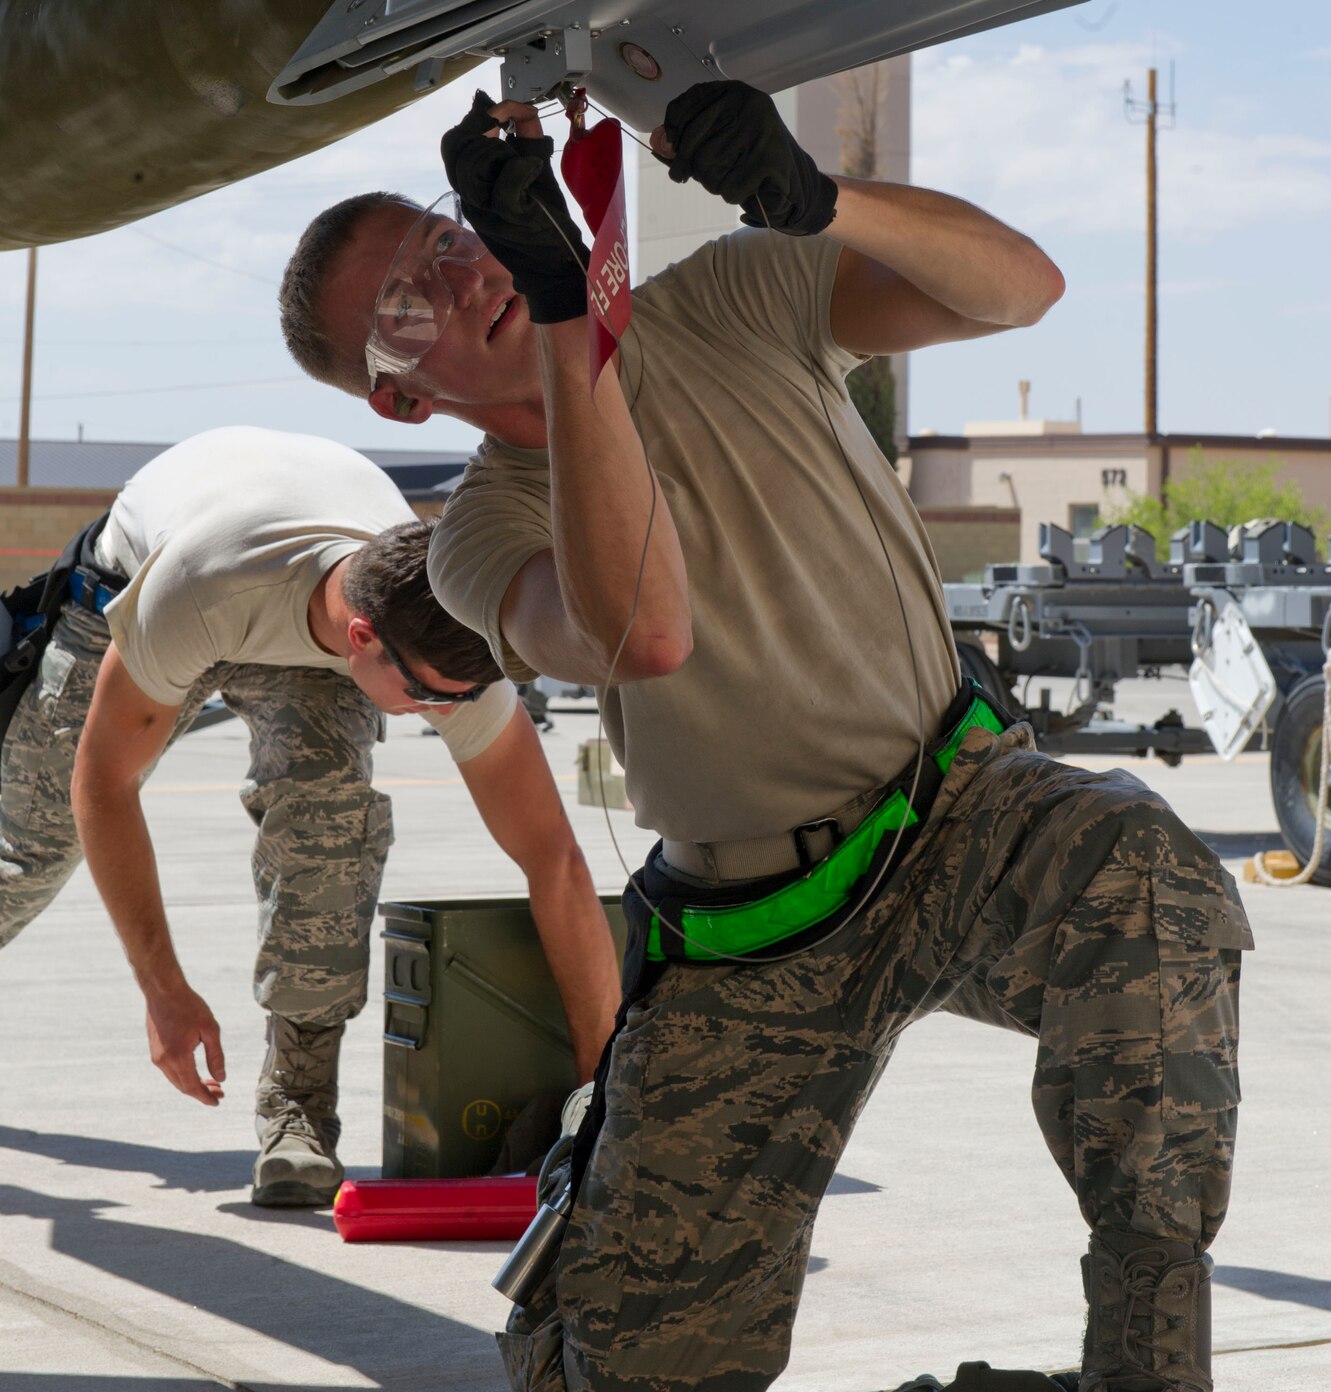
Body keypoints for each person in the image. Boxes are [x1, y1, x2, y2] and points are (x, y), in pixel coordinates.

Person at [280, 85, 1250, 1392]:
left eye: (451, 242)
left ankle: (1146, 1371)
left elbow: (1018, 288)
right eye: (407, 305)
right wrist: (569, 323)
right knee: (601, 1369)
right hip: (750, 934)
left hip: (958, 812)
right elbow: (645, 628)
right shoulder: (477, 535)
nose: (459, 283)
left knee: (1141, 876)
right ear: (400, 403)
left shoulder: (725, 299)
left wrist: (818, 198)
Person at [0, 425, 618, 1209]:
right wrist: (163, 989)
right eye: (430, 696)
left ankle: (298, 1106)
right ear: (363, 641)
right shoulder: (198, 589)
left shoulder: (445, 633)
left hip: (314, 596)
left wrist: (602, 1093)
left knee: (330, 824)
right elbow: (105, 784)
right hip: (156, 578)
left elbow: (553, 859)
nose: (443, 715)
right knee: (29, 853)